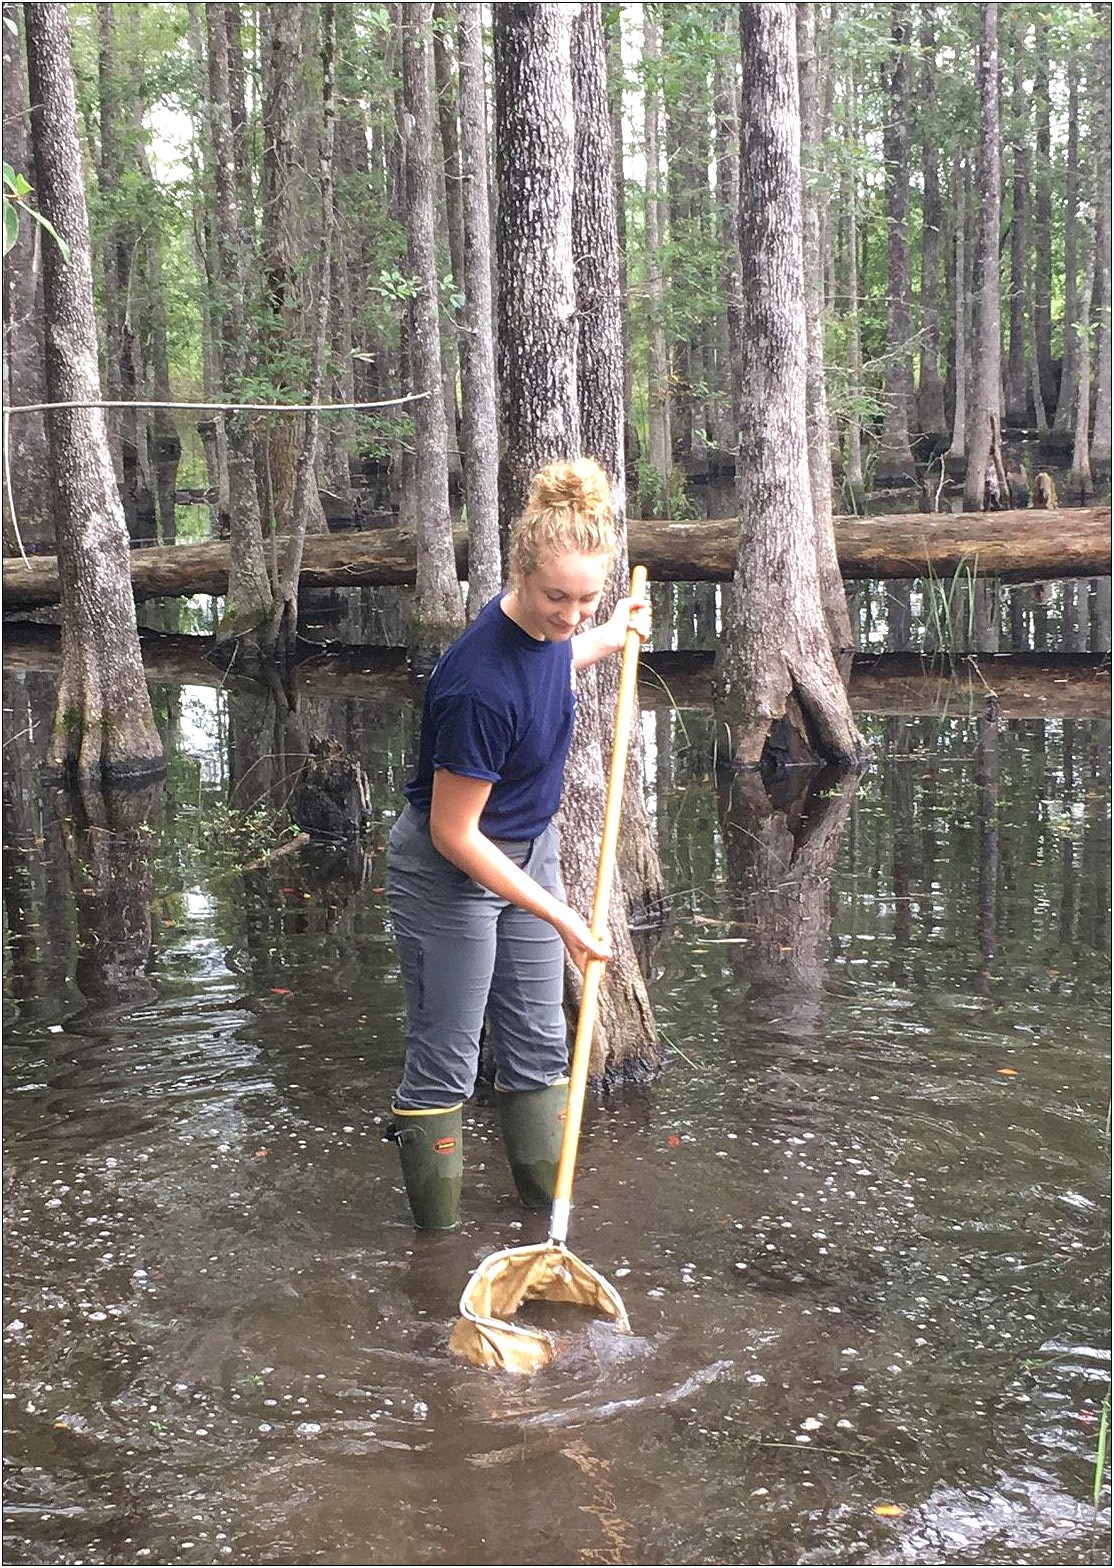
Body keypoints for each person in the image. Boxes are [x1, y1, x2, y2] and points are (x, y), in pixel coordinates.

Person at [385, 457, 651, 1230]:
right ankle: (433, 1255)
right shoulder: (474, 682)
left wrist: (606, 634)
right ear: (519, 575)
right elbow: (452, 830)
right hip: (449, 872)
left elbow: (552, 659)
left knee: (538, 1046)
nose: (569, 613)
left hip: (526, 851)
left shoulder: (549, 633)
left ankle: (546, 1229)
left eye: (586, 597)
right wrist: (564, 918)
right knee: (448, 1056)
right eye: (555, 597)